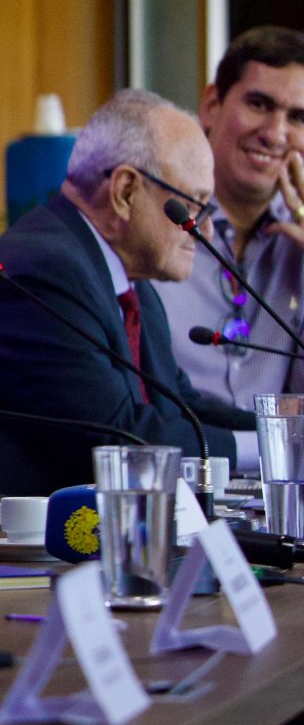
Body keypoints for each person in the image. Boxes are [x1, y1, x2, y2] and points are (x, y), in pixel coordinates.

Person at [0, 89, 254, 498]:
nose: (207, 232)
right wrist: (266, 451)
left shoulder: (131, 283)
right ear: (126, 191)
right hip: (0, 547)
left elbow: (180, 403)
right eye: (194, 207)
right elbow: (118, 439)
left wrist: (283, 432)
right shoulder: (42, 271)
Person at [156, 27, 304, 470]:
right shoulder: (156, 222)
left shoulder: (298, 241)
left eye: (298, 117)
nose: (275, 133)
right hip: (178, 481)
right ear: (212, 105)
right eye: (259, 105)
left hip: (278, 501)